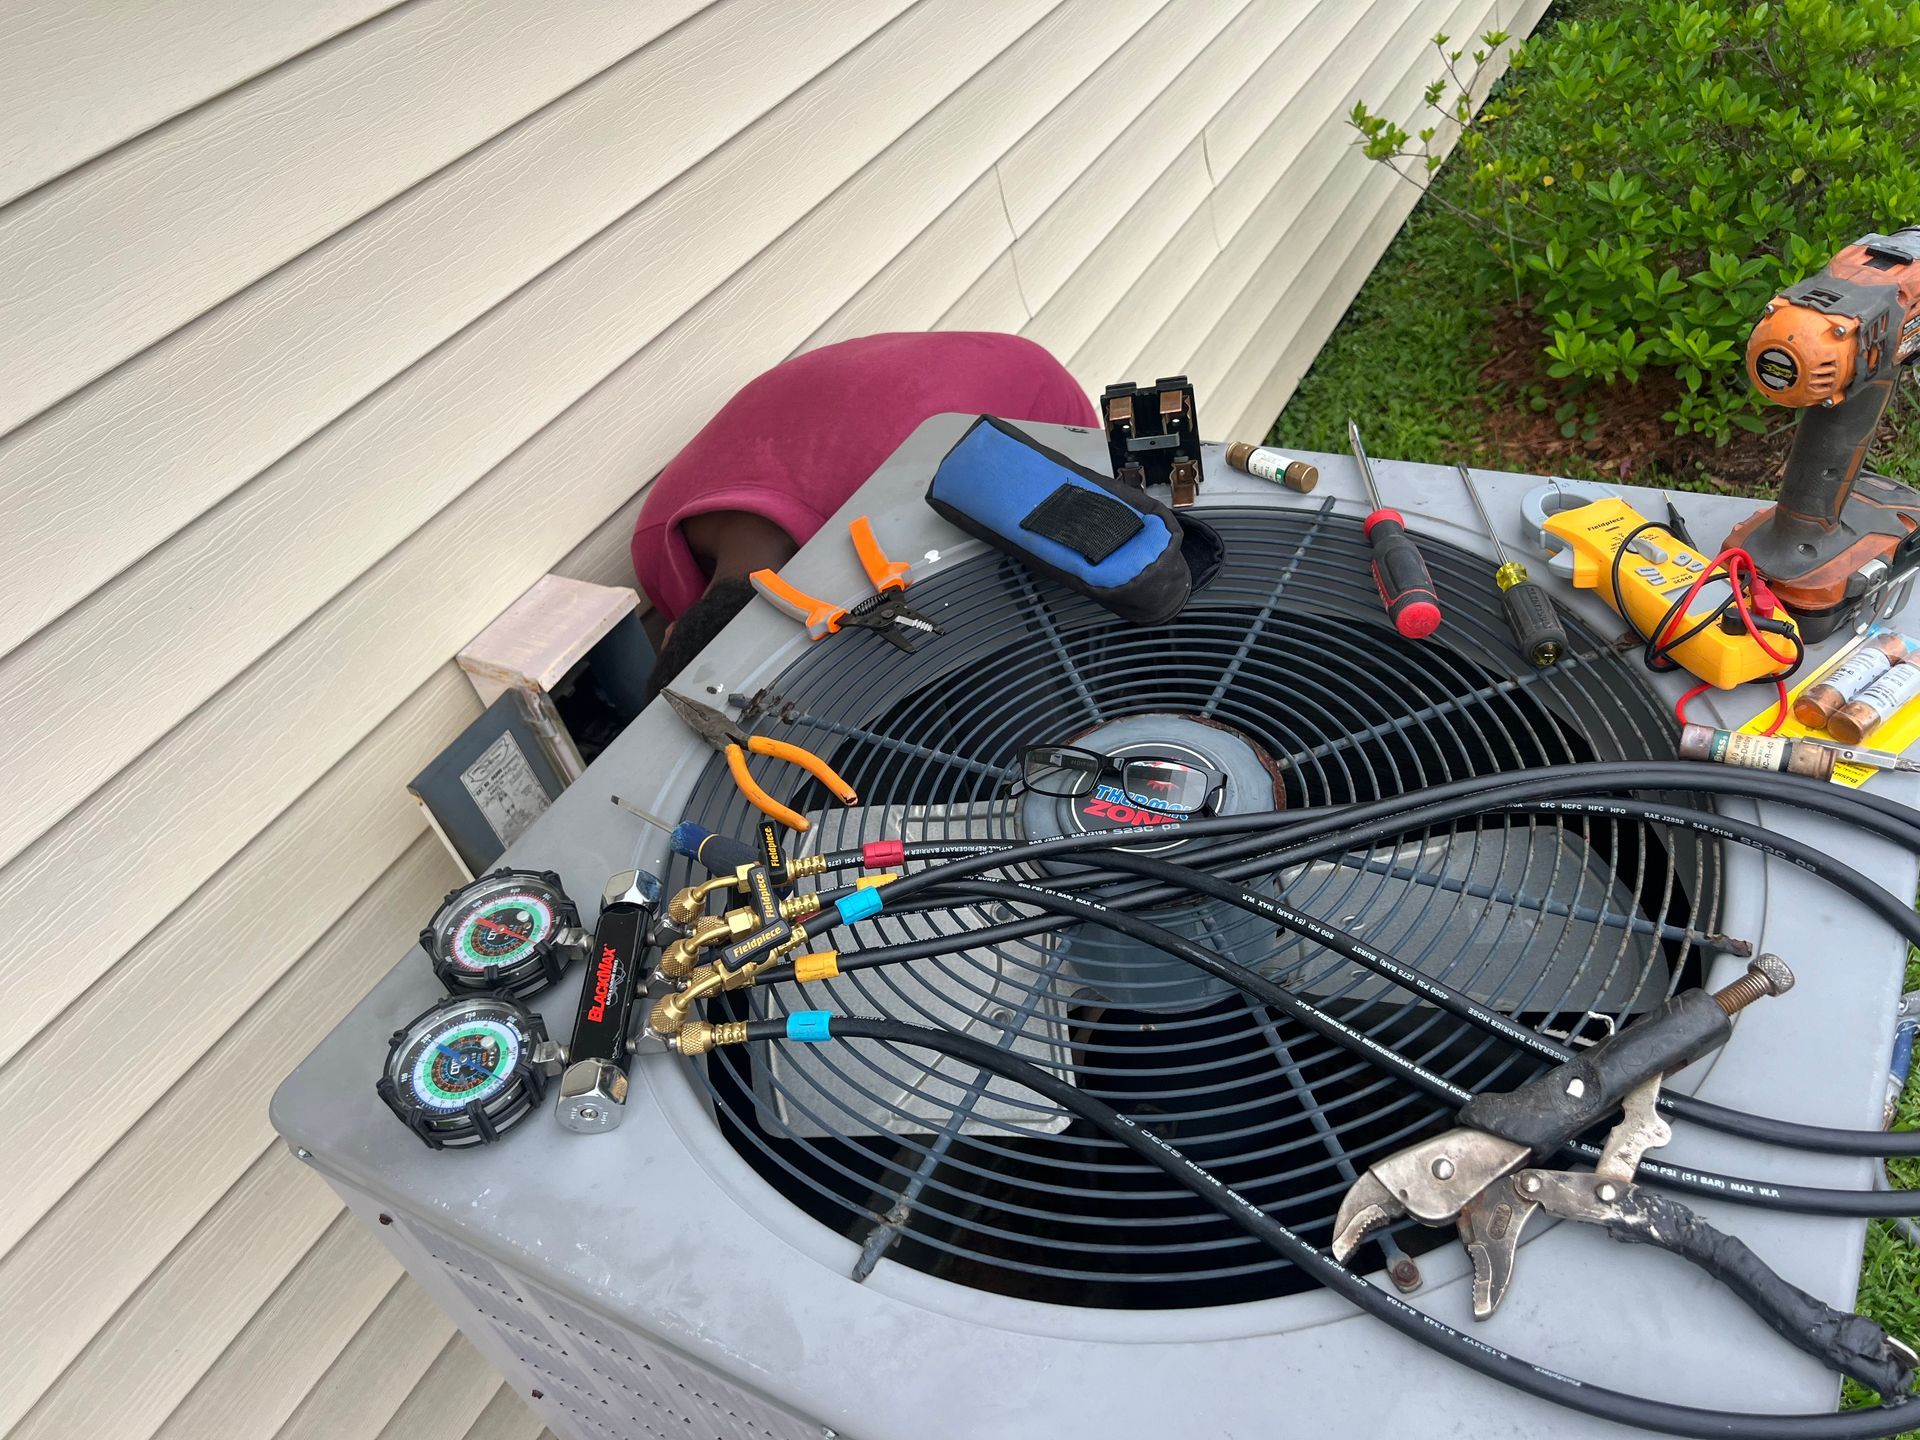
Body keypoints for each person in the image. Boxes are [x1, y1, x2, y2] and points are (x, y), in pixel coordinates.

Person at [632, 331, 1097, 695]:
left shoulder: (898, 508)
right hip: (867, 380)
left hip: (1027, 388)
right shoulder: (655, 543)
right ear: (669, 634)